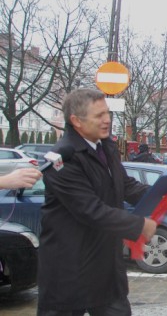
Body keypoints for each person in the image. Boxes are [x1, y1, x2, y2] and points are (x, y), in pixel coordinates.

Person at [37, 89, 157, 315]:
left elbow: (125, 185)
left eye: (107, 113)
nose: (107, 120)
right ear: (76, 121)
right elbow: (89, 210)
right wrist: (138, 225)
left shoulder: (106, 148)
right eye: (99, 115)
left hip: (105, 268)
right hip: (69, 270)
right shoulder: (62, 159)